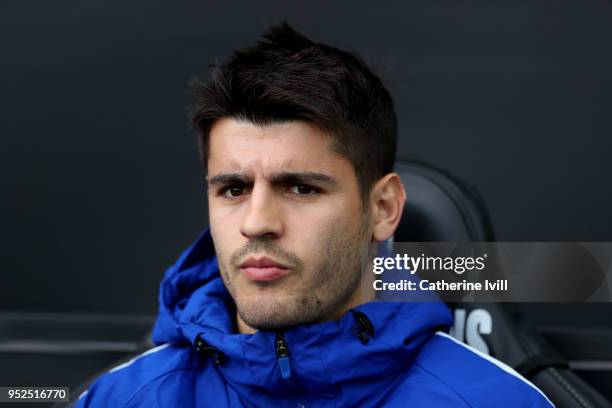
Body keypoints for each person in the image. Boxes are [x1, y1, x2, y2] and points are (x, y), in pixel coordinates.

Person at [74, 23, 554, 407]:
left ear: (383, 209)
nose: (257, 222)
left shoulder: (493, 401)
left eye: (301, 187)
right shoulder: (123, 398)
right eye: (234, 188)